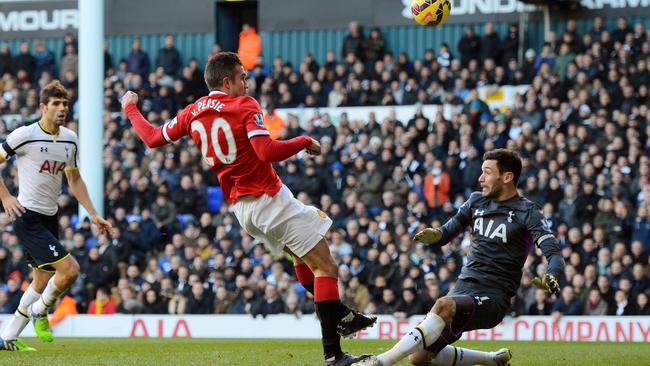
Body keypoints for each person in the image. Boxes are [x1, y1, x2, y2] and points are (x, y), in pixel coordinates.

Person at [121, 52, 374, 366]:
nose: (246, 81)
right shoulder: (244, 104)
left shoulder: (192, 112)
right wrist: (304, 140)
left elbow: (153, 137)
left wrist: (130, 108)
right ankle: (334, 353)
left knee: (302, 256)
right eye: (242, 77)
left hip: (243, 211)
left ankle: (341, 316)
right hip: (268, 197)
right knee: (327, 268)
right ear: (226, 82)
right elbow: (266, 151)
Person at [358, 149, 564, 366]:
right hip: (463, 289)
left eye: (487, 172)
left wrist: (553, 273)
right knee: (419, 358)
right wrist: (436, 235)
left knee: (443, 304)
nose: (480, 178)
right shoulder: (476, 201)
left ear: (507, 177)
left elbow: (553, 251)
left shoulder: (528, 211)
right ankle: (491, 360)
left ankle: (379, 362)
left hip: (493, 297)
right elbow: (448, 231)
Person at [0, 80, 113, 351]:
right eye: (56, 104)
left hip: (50, 217)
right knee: (70, 270)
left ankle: (7, 337)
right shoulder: (24, 135)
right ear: (43, 107)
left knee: (41, 280)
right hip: (27, 216)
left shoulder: (69, 139)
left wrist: (94, 214)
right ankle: (40, 311)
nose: (62, 108)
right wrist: (5, 196)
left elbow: (74, 180)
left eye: (65, 104)